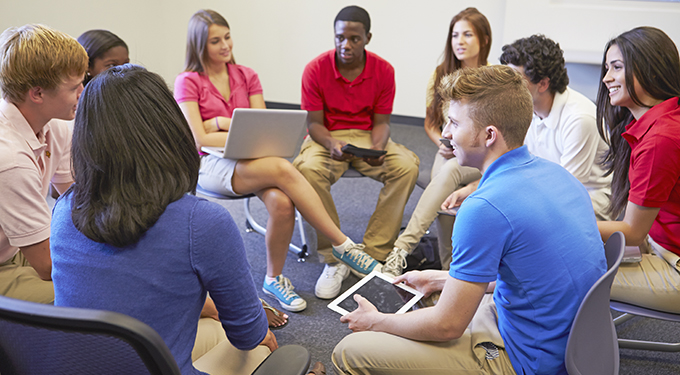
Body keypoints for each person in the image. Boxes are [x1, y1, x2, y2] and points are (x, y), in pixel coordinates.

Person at [332, 65, 606, 375]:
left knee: (351, 351)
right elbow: (531, 272)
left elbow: (447, 326)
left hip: (526, 359)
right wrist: (440, 278)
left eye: (454, 122)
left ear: (489, 135)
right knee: (433, 295)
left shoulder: (483, 208)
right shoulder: (557, 175)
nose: (446, 134)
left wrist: (375, 322)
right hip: (567, 344)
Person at [51, 64, 276, 375]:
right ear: (170, 129)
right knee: (262, 346)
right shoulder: (203, 224)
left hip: (78, 366)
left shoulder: (63, 210)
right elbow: (248, 334)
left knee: (209, 329)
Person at [174, 9, 369, 310]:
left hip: (253, 159)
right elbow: (198, 139)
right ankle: (342, 243)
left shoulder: (247, 75)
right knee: (281, 166)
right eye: (216, 41)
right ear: (200, 45)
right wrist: (226, 129)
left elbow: (263, 127)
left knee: (281, 202)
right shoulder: (187, 81)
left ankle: (273, 279)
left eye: (227, 37)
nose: (226, 45)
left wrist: (220, 123)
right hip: (210, 164)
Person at [435, 35, 615, 247]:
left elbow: (565, 191)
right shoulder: (527, 108)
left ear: (543, 84)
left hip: (585, 202)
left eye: (516, 79)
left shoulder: (579, 119)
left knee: (500, 218)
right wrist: (475, 187)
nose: (507, 87)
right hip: (543, 187)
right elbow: (515, 165)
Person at [293, 5, 419, 298]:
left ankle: (373, 253)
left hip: (366, 137)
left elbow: (382, 123)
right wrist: (330, 144)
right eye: (339, 38)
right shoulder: (315, 69)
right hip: (326, 136)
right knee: (306, 170)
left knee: (407, 166)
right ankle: (335, 256)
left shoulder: (384, 70)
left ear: (368, 37)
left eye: (354, 39)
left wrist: (376, 148)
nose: (345, 45)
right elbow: (313, 123)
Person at [382, 7, 489, 277]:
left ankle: (402, 249)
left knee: (445, 175)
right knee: (444, 186)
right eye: (455, 35)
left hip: (480, 155)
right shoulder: (441, 73)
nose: (460, 42)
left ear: (484, 40)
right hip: (450, 150)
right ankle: (448, 269)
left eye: (467, 34)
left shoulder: (493, 79)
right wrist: (441, 143)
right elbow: (431, 123)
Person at [595, 27, 680, 314]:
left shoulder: (660, 139)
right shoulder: (661, 123)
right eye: (607, 68)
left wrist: (562, 228)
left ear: (650, 70)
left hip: (673, 265)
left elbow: (631, 232)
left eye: (616, 68)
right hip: (659, 247)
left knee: (560, 272)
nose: (606, 78)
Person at [0, 24, 87, 303]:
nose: (82, 92)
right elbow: (47, 266)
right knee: (91, 294)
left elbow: (78, 200)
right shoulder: (10, 158)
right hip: (8, 263)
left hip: (16, 249)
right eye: (74, 87)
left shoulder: (54, 124)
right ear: (37, 94)